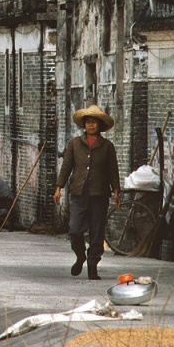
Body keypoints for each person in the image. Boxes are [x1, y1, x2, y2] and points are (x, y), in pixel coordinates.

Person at [54, 104, 121, 280]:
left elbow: (113, 170)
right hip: (79, 192)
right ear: (84, 125)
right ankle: (80, 255)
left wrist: (116, 190)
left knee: (97, 231)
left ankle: (92, 264)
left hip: (99, 193)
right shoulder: (75, 144)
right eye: (88, 122)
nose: (91, 125)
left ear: (99, 125)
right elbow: (66, 167)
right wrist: (59, 187)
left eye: (94, 122)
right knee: (75, 229)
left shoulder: (107, 146)